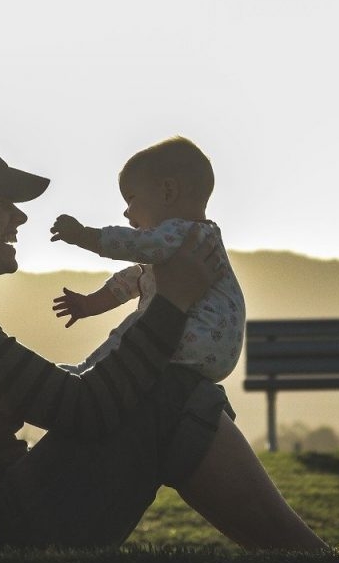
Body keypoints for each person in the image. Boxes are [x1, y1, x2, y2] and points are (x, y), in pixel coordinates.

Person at [0, 130, 326, 551]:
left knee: (170, 390)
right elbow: (86, 409)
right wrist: (172, 301)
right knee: (173, 394)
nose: (18, 218)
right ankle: (312, 562)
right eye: (2, 203)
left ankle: (307, 559)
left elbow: (58, 396)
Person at [50, 136, 244, 384]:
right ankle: (88, 371)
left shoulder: (184, 232)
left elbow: (134, 244)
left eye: (130, 199)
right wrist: (90, 305)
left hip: (196, 337)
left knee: (136, 329)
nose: (126, 211)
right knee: (141, 327)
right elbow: (135, 280)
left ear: (168, 192)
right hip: (214, 351)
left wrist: (83, 235)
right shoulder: (192, 242)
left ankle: (88, 374)